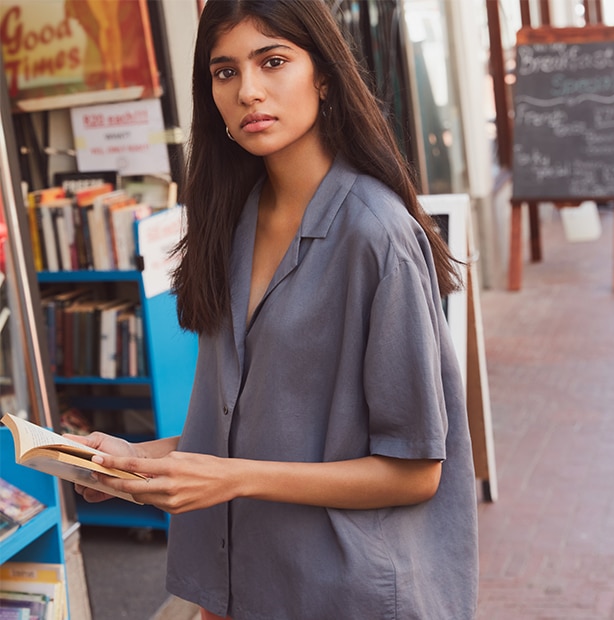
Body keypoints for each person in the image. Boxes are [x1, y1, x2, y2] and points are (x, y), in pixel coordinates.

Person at [70, 1, 479, 618]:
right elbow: (258, 428)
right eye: (225, 71)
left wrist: (230, 477)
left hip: (344, 596)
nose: (249, 91)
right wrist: (136, 459)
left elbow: (416, 469)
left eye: (273, 61)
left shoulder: (378, 235)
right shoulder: (230, 223)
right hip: (241, 586)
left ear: (322, 74)